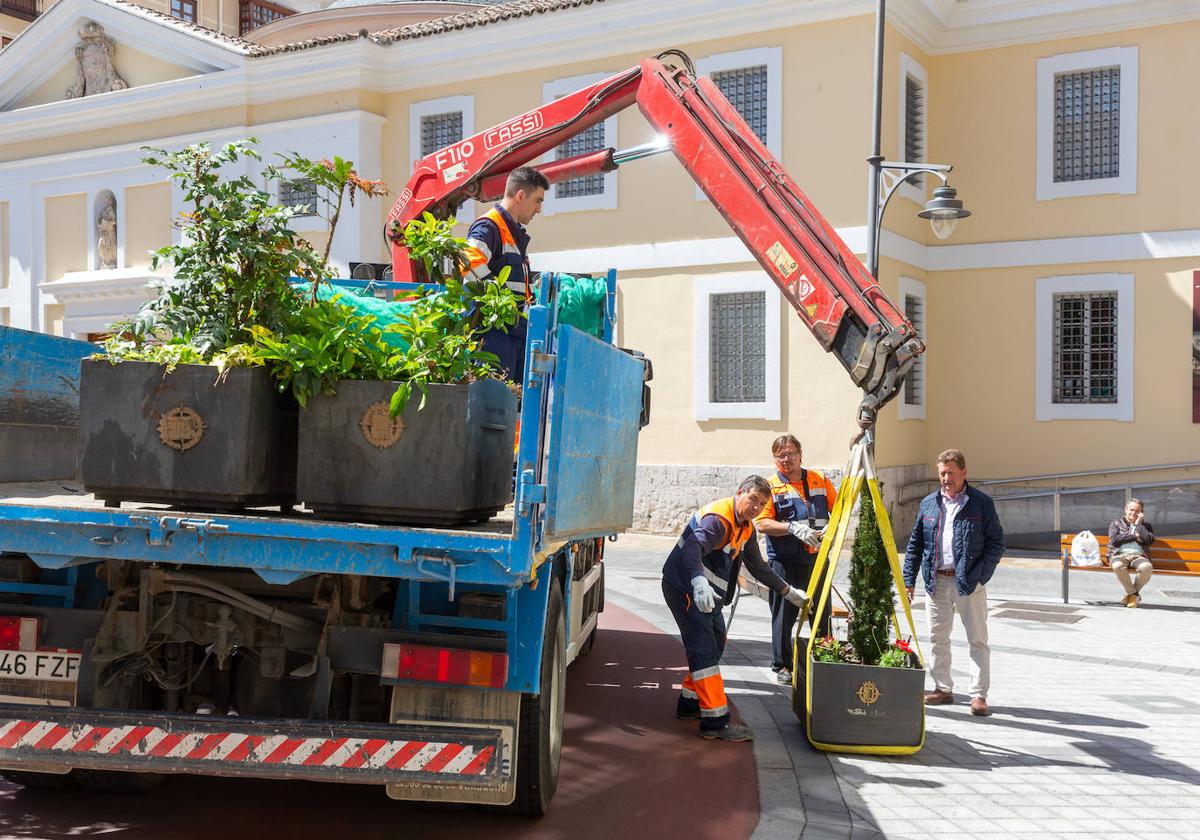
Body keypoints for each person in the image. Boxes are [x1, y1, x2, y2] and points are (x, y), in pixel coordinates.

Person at [662, 476, 809, 741]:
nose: (756, 507)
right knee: (704, 650)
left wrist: (787, 591)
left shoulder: (746, 528)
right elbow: (693, 548)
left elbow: (758, 566)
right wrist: (696, 581)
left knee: (716, 642)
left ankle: (689, 704)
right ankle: (715, 722)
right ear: (740, 492)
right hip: (685, 588)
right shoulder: (719, 521)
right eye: (753, 499)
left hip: (705, 593)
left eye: (762, 503)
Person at [903, 449, 1004, 717]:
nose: (946, 478)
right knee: (937, 638)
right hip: (936, 582)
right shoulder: (929, 503)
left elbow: (996, 543)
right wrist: (908, 580)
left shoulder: (980, 503)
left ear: (964, 473)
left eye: (950, 472)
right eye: (942, 473)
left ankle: (978, 695)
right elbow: (915, 544)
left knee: (977, 640)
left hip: (969, 582)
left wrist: (981, 575)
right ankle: (942, 688)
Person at [754, 434, 838, 685]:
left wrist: (832, 530)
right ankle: (783, 665)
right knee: (784, 616)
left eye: (790, 453)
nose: (785, 459)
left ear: (801, 454)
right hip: (786, 561)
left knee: (822, 613)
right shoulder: (770, 486)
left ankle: (824, 658)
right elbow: (762, 523)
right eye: (780, 455)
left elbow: (839, 509)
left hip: (817, 559)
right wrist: (791, 528)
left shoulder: (819, 479)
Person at [462, 165, 548, 379]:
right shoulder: (489, 227)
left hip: (510, 336)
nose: (538, 209)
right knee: (493, 406)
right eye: (538, 200)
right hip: (493, 339)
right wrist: (501, 302)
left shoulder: (511, 233)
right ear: (520, 195)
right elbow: (469, 263)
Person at [1109, 498, 1155, 607]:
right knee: (1117, 565)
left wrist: (1139, 525)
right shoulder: (1116, 523)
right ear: (1126, 510)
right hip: (1119, 554)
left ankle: (1131, 595)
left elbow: (1149, 540)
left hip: (1139, 555)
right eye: (1131, 510)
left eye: (1137, 511)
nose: (1133, 513)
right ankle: (1134, 594)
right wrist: (1134, 536)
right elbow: (1115, 541)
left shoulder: (1146, 526)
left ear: (1141, 513)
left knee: (1146, 567)